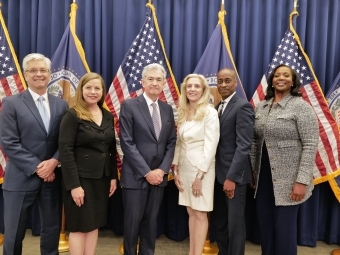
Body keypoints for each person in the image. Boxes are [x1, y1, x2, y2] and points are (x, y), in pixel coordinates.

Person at [0, 53, 68, 255]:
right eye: (33, 70)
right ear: (26, 74)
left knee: (51, 230)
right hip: (21, 177)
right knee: (14, 233)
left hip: (52, 178)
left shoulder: (61, 104)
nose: (39, 74)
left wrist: (54, 161)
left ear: (49, 74)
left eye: (43, 70)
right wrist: (40, 167)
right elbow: (8, 143)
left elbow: (64, 140)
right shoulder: (11, 103)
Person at [250, 64, 319, 255]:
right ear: (272, 80)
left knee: (284, 231)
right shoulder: (261, 107)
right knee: (266, 228)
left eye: (286, 75)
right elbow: (255, 140)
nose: (281, 78)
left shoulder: (301, 107)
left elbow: (310, 144)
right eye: (277, 75)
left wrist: (301, 181)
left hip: (290, 180)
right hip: (263, 179)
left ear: (293, 81)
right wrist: (254, 169)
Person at [119, 63, 176, 255]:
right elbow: (127, 142)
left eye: (159, 79)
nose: (154, 83)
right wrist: (147, 172)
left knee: (151, 224)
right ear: (142, 82)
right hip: (135, 176)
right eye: (150, 79)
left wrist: (161, 170)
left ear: (163, 84)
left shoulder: (167, 109)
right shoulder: (129, 105)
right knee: (132, 224)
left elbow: (171, 142)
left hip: (158, 178)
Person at [59, 72, 117, 255]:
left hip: (101, 179)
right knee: (78, 226)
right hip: (80, 180)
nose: (93, 91)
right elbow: (65, 150)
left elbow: (111, 149)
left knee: (94, 223)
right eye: (89, 87)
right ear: (81, 90)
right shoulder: (72, 114)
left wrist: (113, 177)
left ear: (102, 91)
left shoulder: (107, 115)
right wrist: (74, 185)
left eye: (97, 88)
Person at [172, 74, 219, 255]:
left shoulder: (209, 112)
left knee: (200, 214)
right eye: (189, 86)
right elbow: (178, 142)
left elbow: (211, 145)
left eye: (197, 86)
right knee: (191, 212)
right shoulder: (183, 112)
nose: (192, 89)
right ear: (184, 90)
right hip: (184, 169)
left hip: (202, 171)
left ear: (203, 90)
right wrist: (175, 169)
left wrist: (200, 176)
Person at [213, 68, 255, 255]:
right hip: (217, 176)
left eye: (227, 81)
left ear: (235, 83)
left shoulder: (242, 106)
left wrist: (232, 178)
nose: (223, 85)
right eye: (220, 81)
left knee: (235, 224)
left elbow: (244, 145)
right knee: (220, 221)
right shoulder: (217, 108)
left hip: (234, 177)